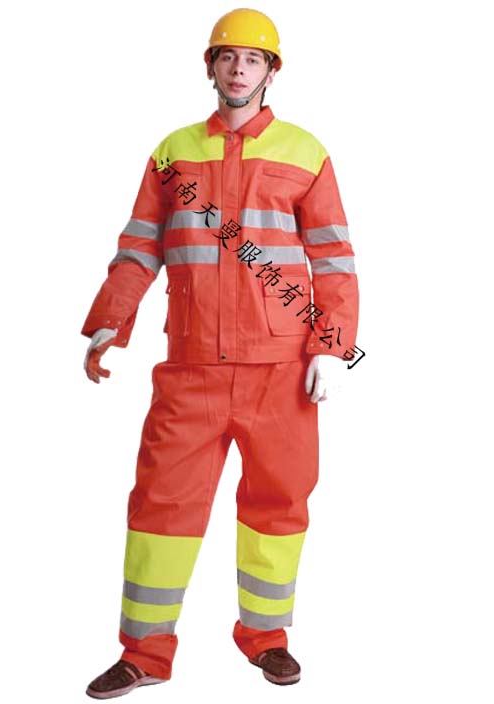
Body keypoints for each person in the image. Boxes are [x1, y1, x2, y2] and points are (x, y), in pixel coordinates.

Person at [82, 8, 359, 698]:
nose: (239, 69)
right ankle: (144, 655)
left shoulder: (305, 152)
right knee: (160, 507)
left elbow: (333, 261)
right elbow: (140, 244)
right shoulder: (173, 152)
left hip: (281, 371)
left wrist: (331, 347)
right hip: (192, 371)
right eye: (228, 57)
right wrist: (110, 319)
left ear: (272, 71)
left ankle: (267, 640)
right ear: (210, 66)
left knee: (277, 505)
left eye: (253, 59)